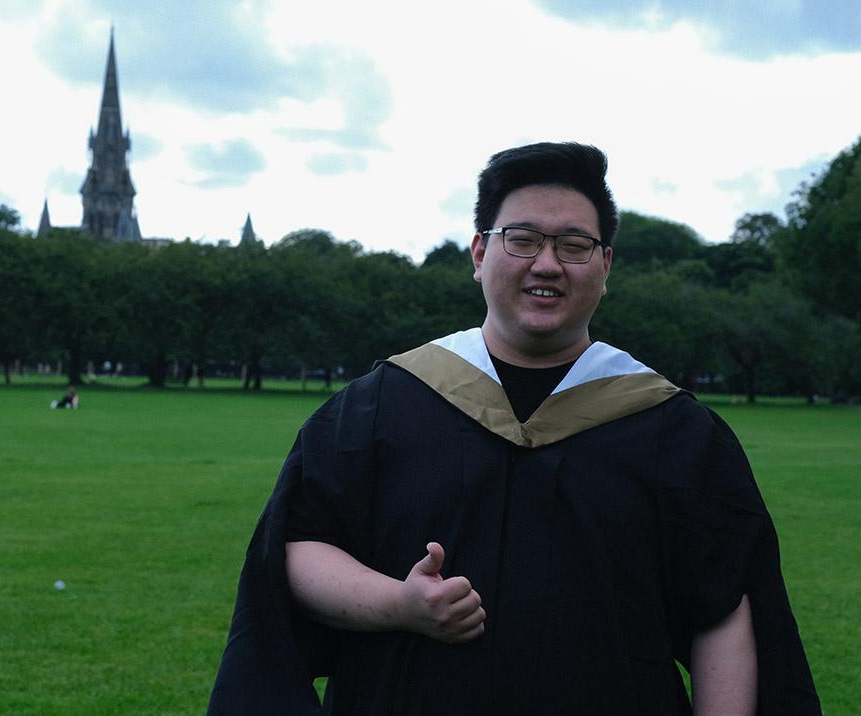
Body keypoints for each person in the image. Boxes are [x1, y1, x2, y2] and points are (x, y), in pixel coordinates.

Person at [208, 143, 820, 714]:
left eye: (575, 246)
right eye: (522, 239)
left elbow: (723, 609)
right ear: (479, 254)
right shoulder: (380, 407)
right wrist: (400, 603)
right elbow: (297, 546)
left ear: (605, 265)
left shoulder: (674, 431)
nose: (547, 264)